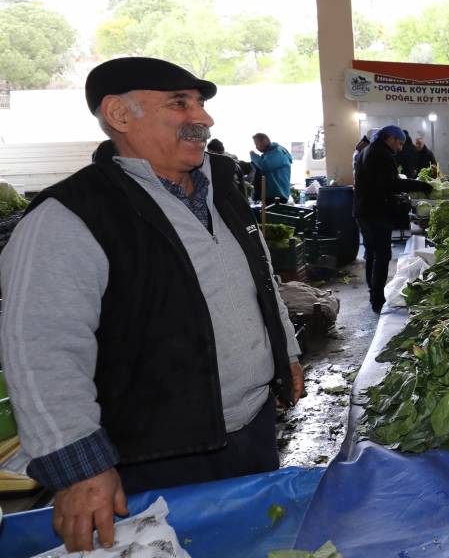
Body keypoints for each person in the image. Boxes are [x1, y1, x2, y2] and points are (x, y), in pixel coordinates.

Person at [0, 57, 303, 551]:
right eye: (179, 104)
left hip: (252, 431)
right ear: (119, 115)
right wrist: (79, 468)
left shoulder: (221, 186)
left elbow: (260, 278)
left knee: (255, 543)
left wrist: (283, 352)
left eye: (201, 105)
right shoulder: (70, 216)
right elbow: (40, 348)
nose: (203, 118)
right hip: (156, 453)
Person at [353, 124, 433, 313]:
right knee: (382, 255)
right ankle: (378, 300)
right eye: (400, 143)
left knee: (371, 253)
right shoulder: (381, 154)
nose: (401, 148)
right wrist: (419, 184)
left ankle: (374, 293)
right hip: (375, 212)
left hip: (362, 210)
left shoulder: (367, 151)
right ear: (391, 138)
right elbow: (391, 184)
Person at [249, 132, 293, 203]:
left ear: (265, 141)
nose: (256, 147)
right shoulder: (269, 153)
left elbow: (264, 166)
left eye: (257, 144)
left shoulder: (278, 152)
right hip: (271, 195)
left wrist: (253, 155)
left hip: (277, 196)